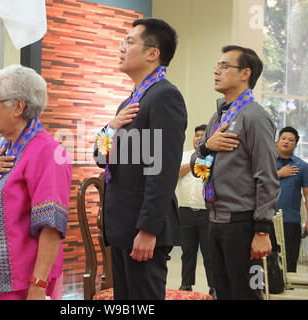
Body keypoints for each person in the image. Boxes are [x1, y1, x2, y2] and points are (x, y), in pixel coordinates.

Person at [0, 64, 72, 300]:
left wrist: (38, 285)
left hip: (18, 282)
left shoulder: (48, 153)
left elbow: (51, 226)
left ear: (18, 107)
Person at [94, 17, 187, 300]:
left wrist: (148, 230)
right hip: (122, 225)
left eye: (129, 41)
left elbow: (163, 171)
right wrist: (111, 126)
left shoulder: (164, 96)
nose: (121, 47)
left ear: (152, 53)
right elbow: (99, 156)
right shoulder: (131, 101)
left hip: (142, 230)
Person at [191, 45, 280, 300]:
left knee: (247, 294)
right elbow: (198, 165)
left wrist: (262, 231)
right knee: (223, 293)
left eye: (224, 66)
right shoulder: (217, 118)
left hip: (242, 224)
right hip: (215, 220)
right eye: (217, 66)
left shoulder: (254, 116)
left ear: (245, 73)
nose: (216, 71)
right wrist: (208, 145)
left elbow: (267, 177)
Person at [176, 124, 215, 297]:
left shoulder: (213, 157)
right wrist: (193, 163)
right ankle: (186, 285)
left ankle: (214, 287)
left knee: (209, 253)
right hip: (185, 210)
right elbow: (175, 174)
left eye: (202, 135)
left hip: (206, 212)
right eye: (196, 135)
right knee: (188, 252)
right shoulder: (183, 156)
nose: (199, 138)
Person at [274, 126, 308, 272]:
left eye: (291, 140)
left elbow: (307, 196)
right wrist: (279, 174)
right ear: (277, 141)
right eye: (283, 138)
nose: (286, 142)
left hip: (290, 222)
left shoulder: (302, 166)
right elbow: (254, 184)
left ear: (295, 145)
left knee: (288, 266)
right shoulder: (266, 162)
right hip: (264, 220)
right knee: (264, 263)